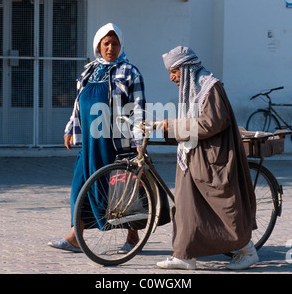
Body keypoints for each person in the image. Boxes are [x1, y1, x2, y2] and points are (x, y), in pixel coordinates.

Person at [155, 46, 258, 270]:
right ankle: (184, 255)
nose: (171, 77)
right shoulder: (194, 88)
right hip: (194, 156)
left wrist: (172, 126)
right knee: (186, 207)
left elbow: (211, 123)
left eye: (174, 71)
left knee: (223, 207)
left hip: (213, 159)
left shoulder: (209, 87)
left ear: (186, 67)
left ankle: (247, 250)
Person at [48, 23, 146, 253]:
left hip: (116, 141)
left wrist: (139, 141)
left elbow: (138, 109)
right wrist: (70, 129)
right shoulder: (89, 71)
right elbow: (78, 104)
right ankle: (75, 237)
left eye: (115, 43)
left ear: (121, 46)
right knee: (80, 186)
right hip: (90, 143)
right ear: (98, 46)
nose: (111, 48)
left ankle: (133, 238)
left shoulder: (130, 72)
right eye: (106, 43)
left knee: (122, 189)